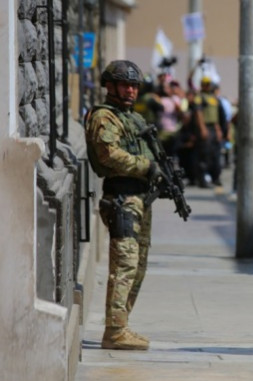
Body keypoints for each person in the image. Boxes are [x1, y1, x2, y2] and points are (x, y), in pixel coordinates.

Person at [84, 60, 166, 350]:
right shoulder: (105, 117)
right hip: (121, 198)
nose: (131, 90)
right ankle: (115, 330)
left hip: (139, 198)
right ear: (110, 86)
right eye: (125, 85)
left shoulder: (133, 118)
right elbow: (108, 155)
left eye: (134, 86)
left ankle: (122, 323)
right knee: (125, 264)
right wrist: (146, 167)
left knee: (138, 265)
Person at [193, 77, 224, 187]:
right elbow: (198, 113)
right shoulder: (199, 97)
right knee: (204, 155)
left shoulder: (213, 98)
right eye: (205, 84)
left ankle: (215, 177)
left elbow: (216, 116)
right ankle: (202, 179)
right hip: (205, 127)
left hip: (213, 127)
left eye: (208, 84)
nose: (207, 86)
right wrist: (202, 128)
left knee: (215, 154)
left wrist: (218, 129)